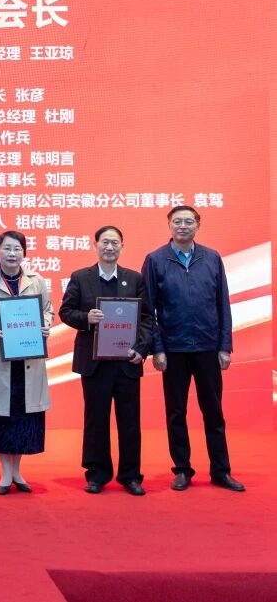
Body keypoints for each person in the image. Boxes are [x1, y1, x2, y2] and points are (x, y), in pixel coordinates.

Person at [141, 205, 244, 492]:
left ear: (198, 225)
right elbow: (148, 310)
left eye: (188, 221)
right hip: (173, 349)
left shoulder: (212, 258)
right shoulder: (155, 259)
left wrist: (225, 345)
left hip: (208, 347)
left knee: (213, 411)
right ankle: (182, 470)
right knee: (176, 412)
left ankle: (221, 471)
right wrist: (157, 349)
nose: (183, 226)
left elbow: (222, 303)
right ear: (169, 225)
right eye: (177, 221)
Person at [58, 226, 152, 495]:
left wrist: (142, 349)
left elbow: (147, 318)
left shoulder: (135, 278)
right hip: (94, 362)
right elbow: (66, 311)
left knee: (129, 421)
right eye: (105, 242)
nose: (110, 247)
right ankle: (97, 474)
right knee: (96, 419)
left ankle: (131, 475)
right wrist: (86, 318)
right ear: (96, 245)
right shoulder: (81, 277)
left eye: (115, 243)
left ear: (122, 246)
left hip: (127, 361)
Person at [0, 231, 52, 495]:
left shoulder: (37, 281)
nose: (12, 254)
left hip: (28, 360)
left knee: (23, 418)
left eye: (17, 248)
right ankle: (6, 473)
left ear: (24, 252)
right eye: (7, 248)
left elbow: (47, 311)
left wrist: (45, 325)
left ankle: (17, 471)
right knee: (1, 419)